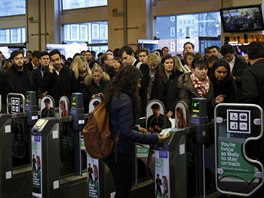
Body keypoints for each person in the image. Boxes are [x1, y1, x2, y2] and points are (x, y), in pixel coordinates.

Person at [102, 65, 167, 198]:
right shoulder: (125, 100)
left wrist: (136, 128)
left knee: (121, 187)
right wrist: (154, 138)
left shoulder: (114, 95)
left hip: (113, 148)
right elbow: (126, 133)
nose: (139, 85)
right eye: (137, 81)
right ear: (130, 81)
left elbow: (117, 123)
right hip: (120, 151)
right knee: (123, 189)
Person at [119, 45, 150, 117]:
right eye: (122, 59)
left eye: (125, 58)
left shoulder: (142, 66)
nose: (124, 61)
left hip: (139, 104)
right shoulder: (124, 69)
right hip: (128, 104)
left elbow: (142, 86)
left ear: (132, 55)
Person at [150, 54, 183, 118]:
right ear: (163, 64)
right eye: (167, 63)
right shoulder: (158, 77)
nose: (169, 64)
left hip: (175, 110)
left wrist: (172, 110)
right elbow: (154, 94)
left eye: (171, 62)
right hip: (160, 110)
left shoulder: (179, 76)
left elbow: (180, 95)